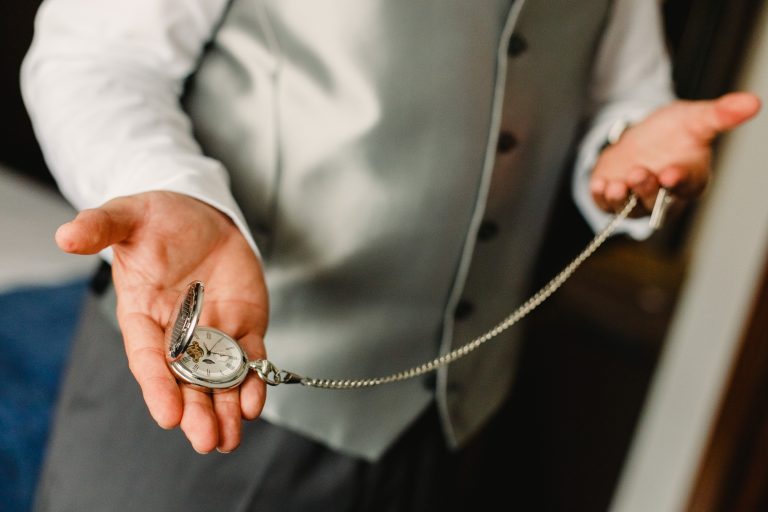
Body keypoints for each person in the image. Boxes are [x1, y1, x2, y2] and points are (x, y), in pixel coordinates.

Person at [21, 0, 760, 510]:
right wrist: (167, 190)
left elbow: (618, 98)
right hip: (205, 406)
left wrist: (627, 159)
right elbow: (94, 57)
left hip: (456, 425)